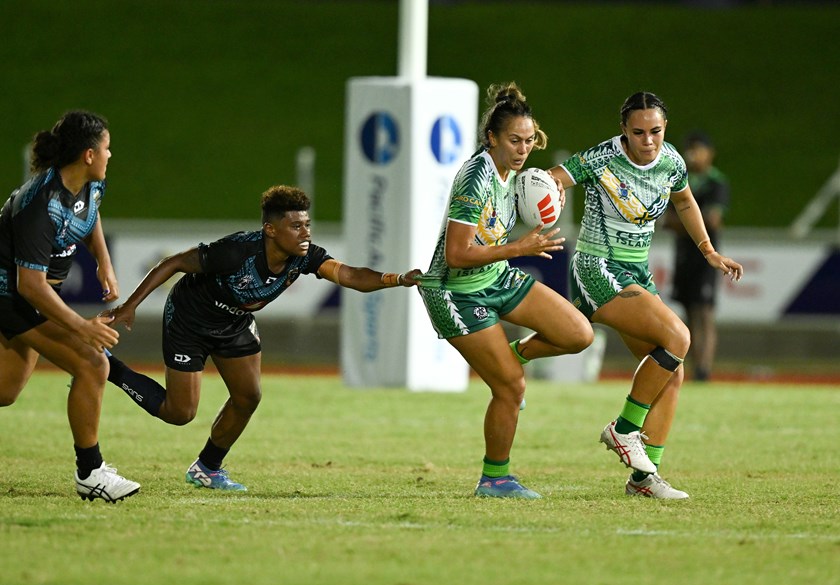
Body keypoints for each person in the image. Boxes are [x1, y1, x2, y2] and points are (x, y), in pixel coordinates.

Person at [103, 185, 421, 491]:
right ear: (271, 229)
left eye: (307, 224)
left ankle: (207, 469)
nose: (306, 232)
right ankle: (109, 367)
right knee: (180, 413)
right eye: (296, 225)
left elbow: (349, 274)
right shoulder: (235, 251)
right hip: (191, 321)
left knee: (248, 397)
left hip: (235, 323)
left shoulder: (305, 257)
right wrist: (130, 306)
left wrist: (396, 279)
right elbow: (173, 263)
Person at [548, 92, 743, 499]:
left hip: (635, 271)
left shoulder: (671, 161)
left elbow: (685, 200)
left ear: (664, 128)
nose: (647, 140)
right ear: (624, 130)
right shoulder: (603, 157)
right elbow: (556, 176)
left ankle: (643, 479)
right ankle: (622, 430)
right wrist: (552, 190)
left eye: (655, 130)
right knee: (680, 337)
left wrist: (708, 251)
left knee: (673, 373)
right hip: (596, 267)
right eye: (638, 132)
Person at [418, 82, 594, 500]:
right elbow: (458, 254)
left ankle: (509, 360)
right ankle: (494, 479)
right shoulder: (476, 176)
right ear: (491, 138)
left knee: (578, 334)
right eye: (514, 140)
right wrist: (521, 247)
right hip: (454, 292)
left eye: (530, 141)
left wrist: (550, 199)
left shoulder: (517, 174)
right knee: (512, 389)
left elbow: (536, 196)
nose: (523, 149)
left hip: (494, 277)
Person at [0, 110, 140, 503]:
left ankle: (90, 471)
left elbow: (90, 215)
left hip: (36, 294)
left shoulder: (90, 185)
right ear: (88, 155)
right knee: (93, 361)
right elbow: (30, 286)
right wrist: (82, 327)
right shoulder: (39, 202)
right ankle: (90, 473)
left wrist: (103, 261)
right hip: (11, 294)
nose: (112, 155)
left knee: (5, 390)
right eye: (107, 148)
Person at [664, 132, 730, 382]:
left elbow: (714, 220)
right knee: (689, 309)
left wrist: (685, 220)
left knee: (705, 310)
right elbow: (667, 221)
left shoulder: (716, 182)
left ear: (710, 153)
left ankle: (704, 368)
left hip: (705, 256)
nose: (694, 155)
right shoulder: (681, 179)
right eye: (690, 150)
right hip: (683, 255)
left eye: (699, 150)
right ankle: (694, 368)